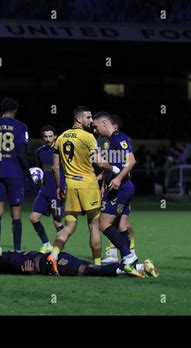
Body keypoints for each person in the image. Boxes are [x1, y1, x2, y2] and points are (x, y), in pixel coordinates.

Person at [46, 106, 139, 276]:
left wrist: (59, 186)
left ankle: (53, 254)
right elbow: (101, 163)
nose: (92, 125)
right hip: (89, 186)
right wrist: (111, 174)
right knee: (98, 224)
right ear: (80, 119)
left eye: (94, 122)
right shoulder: (90, 137)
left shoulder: (60, 137)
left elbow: (54, 166)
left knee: (73, 226)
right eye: (89, 119)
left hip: (72, 186)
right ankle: (109, 261)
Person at [92, 111, 138, 272]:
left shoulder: (118, 137)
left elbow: (131, 161)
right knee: (121, 225)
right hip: (123, 187)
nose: (95, 130)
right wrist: (101, 178)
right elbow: (114, 166)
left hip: (122, 187)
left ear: (104, 124)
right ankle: (133, 260)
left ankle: (127, 255)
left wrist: (118, 178)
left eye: (96, 127)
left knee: (103, 224)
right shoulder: (112, 140)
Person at [0, 98, 31, 251]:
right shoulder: (21, 127)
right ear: (15, 110)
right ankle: (17, 250)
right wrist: (28, 174)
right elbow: (22, 154)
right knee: (16, 214)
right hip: (15, 173)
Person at [0, 250, 159, 278]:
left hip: (50, 264)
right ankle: (141, 266)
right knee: (91, 268)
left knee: (87, 271)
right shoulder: (14, 255)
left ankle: (126, 269)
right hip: (54, 257)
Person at [29, 125, 65, 253]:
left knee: (57, 222)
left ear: (55, 136)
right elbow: (39, 170)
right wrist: (36, 178)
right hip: (44, 191)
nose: (48, 139)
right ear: (42, 137)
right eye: (45, 136)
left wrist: (63, 187)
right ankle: (46, 244)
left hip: (57, 191)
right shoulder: (40, 152)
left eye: (50, 136)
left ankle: (61, 250)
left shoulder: (60, 151)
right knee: (33, 218)